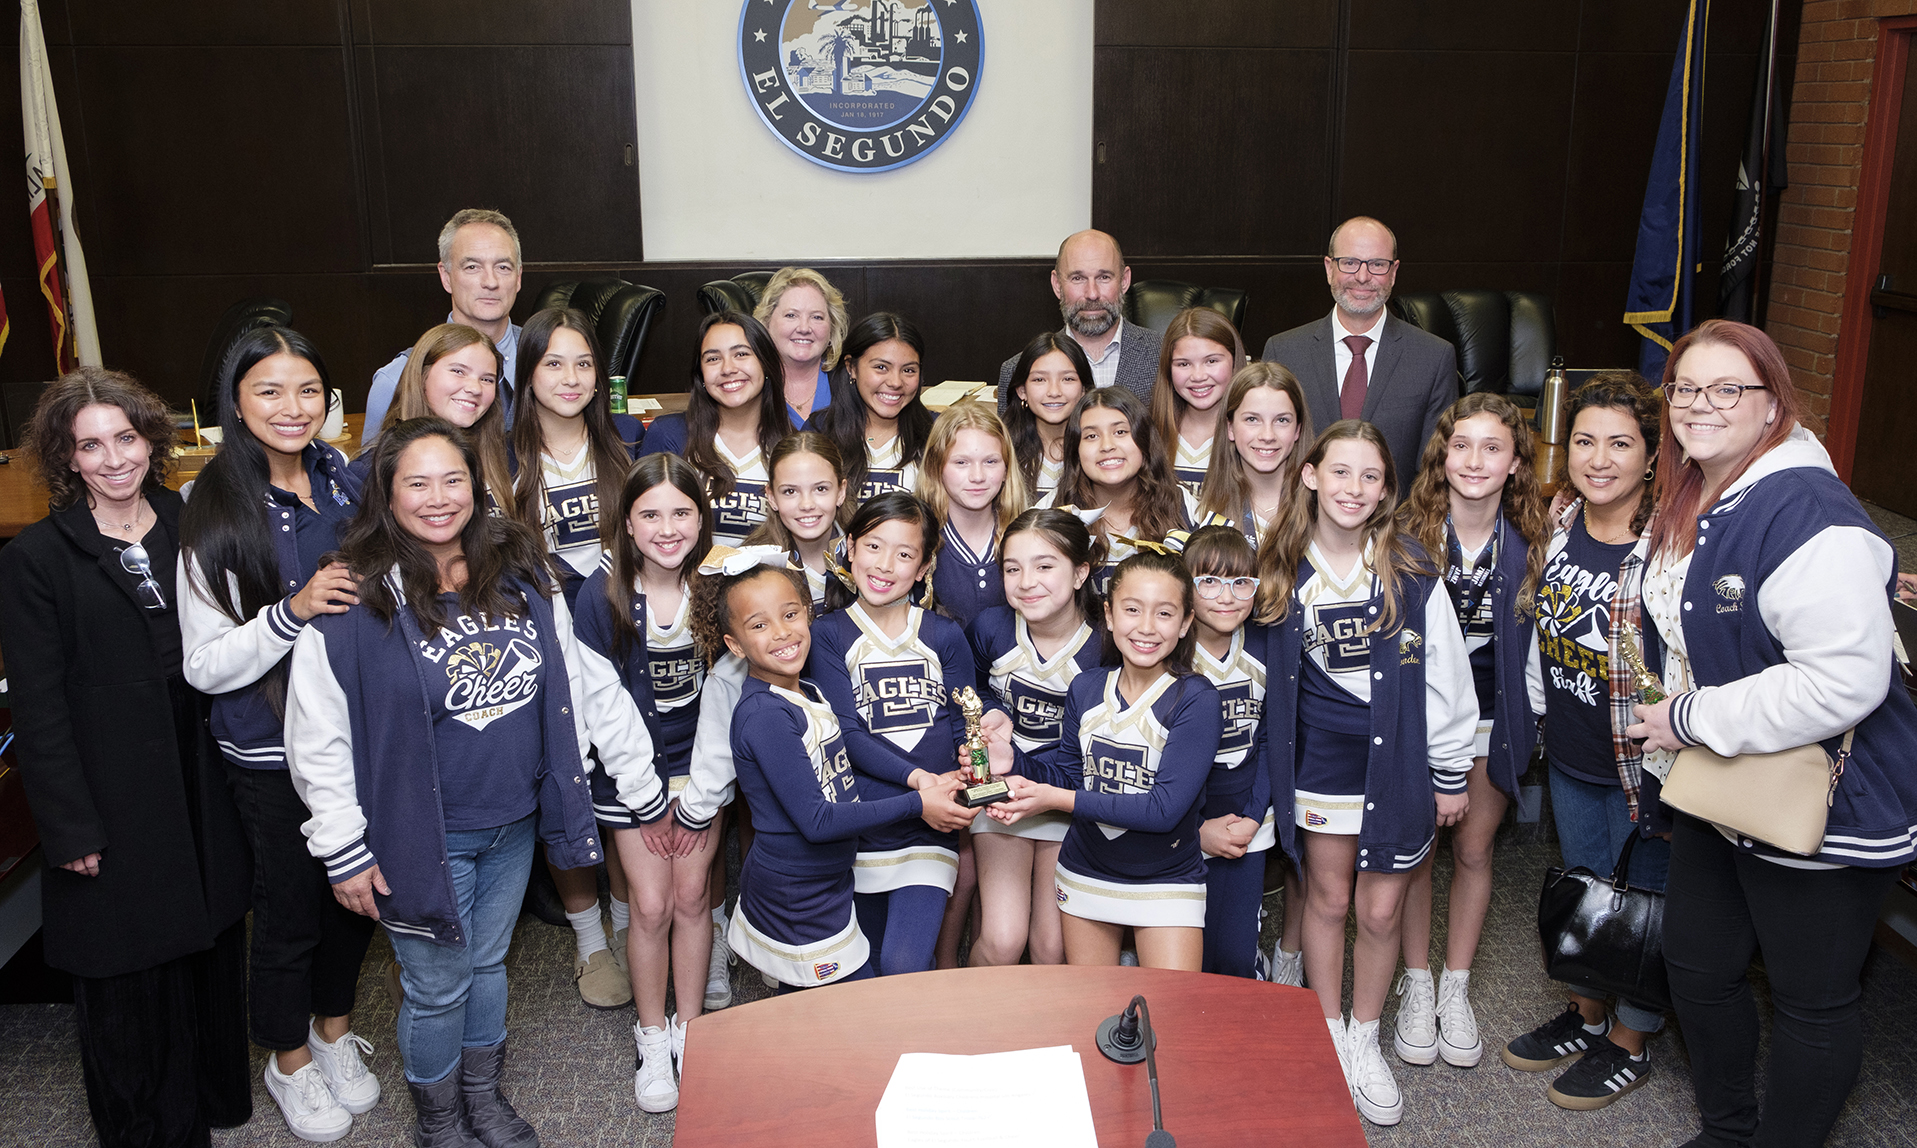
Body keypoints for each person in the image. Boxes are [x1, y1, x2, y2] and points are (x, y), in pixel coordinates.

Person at [284, 417, 655, 1147]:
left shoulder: (518, 573)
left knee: (485, 967)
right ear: (387, 497)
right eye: (415, 483)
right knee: (435, 986)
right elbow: (315, 735)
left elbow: (574, 682)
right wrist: (343, 848)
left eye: (452, 479)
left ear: (475, 486)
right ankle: (441, 1120)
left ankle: (481, 1098)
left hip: (512, 821)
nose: (437, 497)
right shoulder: (352, 600)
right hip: (420, 834)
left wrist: (620, 774)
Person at [1625, 320, 1917, 1147]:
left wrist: (1686, 718)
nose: (1699, 406)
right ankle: (1726, 1130)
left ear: (1770, 404)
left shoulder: (1807, 513)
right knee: (1697, 967)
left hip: (1822, 798)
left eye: (1728, 389)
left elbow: (1843, 682)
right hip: (1722, 784)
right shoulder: (1703, 486)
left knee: (1811, 999)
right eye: (1684, 387)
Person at [0, 369, 252, 1148]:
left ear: (152, 440)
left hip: (201, 780)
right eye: (90, 446)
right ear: (67, 459)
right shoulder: (38, 557)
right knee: (128, 971)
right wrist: (70, 828)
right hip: (111, 792)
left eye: (126, 438)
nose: (113, 458)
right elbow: (38, 711)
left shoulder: (190, 521)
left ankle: (216, 1100)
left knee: (209, 944)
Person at [178, 327, 383, 1140]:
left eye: (307, 392)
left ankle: (333, 1031)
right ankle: (287, 1058)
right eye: (269, 391)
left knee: (357, 900)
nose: (292, 409)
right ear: (235, 403)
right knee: (292, 909)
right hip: (268, 751)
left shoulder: (345, 482)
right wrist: (289, 615)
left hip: (358, 739)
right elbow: (204, 664)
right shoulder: (215, 506)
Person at [1253, 420, 1475, 1127]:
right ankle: (1323, 1032)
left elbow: (1447, 676)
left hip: (1397, 767)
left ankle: (1363, 1038)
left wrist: (1448, 771)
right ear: (1310, 475)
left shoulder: (1408, 568)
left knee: (1380, 910)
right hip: (1319, 765)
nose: (1353, 488)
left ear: (1386, 489)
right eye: (1339, 472)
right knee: (1325, 898)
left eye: (1369, 476)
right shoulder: (1278, 566)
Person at [1501, 372, 1671, 1110]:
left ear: (1651, 455)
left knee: (1641, 905)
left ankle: (1630, 1041)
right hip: (1569, 747)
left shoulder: (1673, 546)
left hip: (1643, 763)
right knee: (1584, 889)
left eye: (1620, 443)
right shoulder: (1562, 520)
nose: (1598, 458)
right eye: (1584, 441)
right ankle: (1586, 1014)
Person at [687, 559, 972, 991]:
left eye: (790, 614)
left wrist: (922, 780)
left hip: (829, 883)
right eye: (759, 625)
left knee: (852, 1004)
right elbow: (817, 821)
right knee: (852, 1010)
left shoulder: (808, 691)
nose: (782, 632)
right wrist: (918, 803)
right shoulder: (765, 715)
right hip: (795, 898)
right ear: (736, 644)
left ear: (808, 613)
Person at [1391, 393, 1547, 1072]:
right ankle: (1415, 982)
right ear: (1441, 456)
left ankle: (1455, 988)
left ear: (1515, 463)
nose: (1475, 460)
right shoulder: (1404, 534)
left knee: (1476, 850)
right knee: (1419, 852)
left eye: (1492, 447)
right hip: (1422, 720)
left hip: (1495, 718)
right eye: (1462, 446)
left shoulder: (1538, 541)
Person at [984, 549, 1222, 972]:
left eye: (1164, 614)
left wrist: (1054, 799)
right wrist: (1013, 761)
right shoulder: (1087, 687)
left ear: (1186, 623)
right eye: (1132, 610)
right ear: (1110, 616)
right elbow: (1069, 777)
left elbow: (1163, 810)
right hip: (1085, 873)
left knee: (1171, 1020)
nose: (1146, 627)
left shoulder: (1197, 699)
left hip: (1167, 882)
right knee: (1094, 1016)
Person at [508, 306, 647, 1010]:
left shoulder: (624, 448)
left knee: (623, 788)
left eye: (583, 363)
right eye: (553, 363)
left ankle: (627, 927)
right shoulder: (501, 457)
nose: (569, 378)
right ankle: (589, 937)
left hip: (619, 641)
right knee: (568, 790)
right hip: (544, 651)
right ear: (526, 370)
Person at [572, 454, 717, 1113]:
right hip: (629, 776)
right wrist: (650, 799)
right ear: (626, 522)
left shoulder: (717, 588)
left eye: (681, 512)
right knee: (650, 906)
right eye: (650, 514)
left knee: (692, 900)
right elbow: (602, 706)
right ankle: (651, 1034)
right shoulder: (598, 595)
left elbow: (727, 698)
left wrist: (702, 791)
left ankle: (693, 1029)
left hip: (700, 770)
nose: (667, 527)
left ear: (701, 516)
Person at [808, 493, 981, 975]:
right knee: (864, 973)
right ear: (849, 549)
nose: (885, 565)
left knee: (904, 964)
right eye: (873, 547)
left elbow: (964, 722)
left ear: (925, 566)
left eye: (904, 554)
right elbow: (843, 734)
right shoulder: (827, 634)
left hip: (930, 826)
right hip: (861, 824)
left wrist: (969, 762)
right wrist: (918, 781)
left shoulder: (945, 635)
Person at [965, 509, 1104, 968]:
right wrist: (991, 710)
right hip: (1001, 791)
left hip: (1066, 795)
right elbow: (971, 687)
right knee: (1004, 941)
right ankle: (967, 1028)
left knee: (1052, 948)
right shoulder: (991, 627)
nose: (1027, 581)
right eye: (1012, 568)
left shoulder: (1107, 643)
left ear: (1081, 571)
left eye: (1045, 566)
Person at [1259, 217, 1460, 478]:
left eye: (1377, 264)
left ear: (1394, 272)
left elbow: (1434, 470)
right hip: (1301, 515)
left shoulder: (1433, 358)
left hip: (1397, 517)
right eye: (1350, 263)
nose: (1363, 277)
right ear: (1329, 268)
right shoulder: (1283, 352)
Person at [1182, 526, 1276, 979]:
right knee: (1191, 961)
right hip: (1181, 825)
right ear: (1187, 588)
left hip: (1246, 818)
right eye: (1210, 582)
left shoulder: (1264, 647)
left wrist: (1254, 818)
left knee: (1235, 961)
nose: (1227, 596)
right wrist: (1195, 829)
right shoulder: (1168, 656)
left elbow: (1273, 740)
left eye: (1241, 582)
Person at [364, 208, 524, 443]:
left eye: (503, 267)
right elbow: (374, 476)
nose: (490, 282)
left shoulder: (553, 362)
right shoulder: (396, 379)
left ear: (518, 277)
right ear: (446, 276)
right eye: (472, 267)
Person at [644, 311, 786, 548]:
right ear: (700, 374)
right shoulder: (670, 436)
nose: (728, 368)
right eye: (712, 359)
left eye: (741, 354)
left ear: (766, 363)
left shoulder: (792, 446)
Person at [1041, 388, 1198, 592]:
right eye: (1091, 436)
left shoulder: (1182, 503)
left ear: (1144, 440)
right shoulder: (1051, 510)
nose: (1107, 446)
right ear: (1075, 450)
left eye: (1120, 432)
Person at [353, 323, 514, 514]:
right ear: (422, 375)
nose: (475, 388)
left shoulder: (508, 457)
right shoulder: (368, 473)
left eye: (487, 379)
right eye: (458, 371)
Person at [996, 230, 1160, 408]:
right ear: (1057, 285)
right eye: (1078, 278)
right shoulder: (1017, 373)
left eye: (1104, 277)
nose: (1092, 294)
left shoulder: (1165, 356)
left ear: (1124, 281)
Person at [917, 401, 1030, 628]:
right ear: (936, 467)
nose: (977, 476)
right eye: (961, 462)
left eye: (990, 461)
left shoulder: (1029, 538)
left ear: (1006, 469)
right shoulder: (917, 540)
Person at [806, 312, 935, 502]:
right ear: (851, 367)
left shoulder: (938, 432)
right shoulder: (819, 430)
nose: (895, 382)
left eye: (908, 370)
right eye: (881, 367)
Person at [1196, 362, 1312, 550]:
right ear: (1230, 428)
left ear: (1298, 429)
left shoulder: (1321, 511)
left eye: (1282, 420)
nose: (1267, 435)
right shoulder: (1200, 516)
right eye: (1252, 419)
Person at [744, 432, 851, 612]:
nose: (806, 504)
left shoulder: (867, 554)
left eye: (820, 488)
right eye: (790, 492)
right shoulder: (751, 563)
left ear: (841, 492)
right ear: (771, 496)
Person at [1150, 308, 1246, 495]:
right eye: (1183, 364)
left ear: (1235, 361)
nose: (1198, 376)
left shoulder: (1255, 435)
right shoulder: (1147, 432)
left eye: (1211, 361)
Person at [752, 266, 849, 428]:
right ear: (766, 322)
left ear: (832, 329)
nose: (804, 328)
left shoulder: (851, 383)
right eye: (791, 315)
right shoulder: (748, 385)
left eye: (816, 317)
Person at [1003, 332, 1092, 502]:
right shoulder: (1002, 450)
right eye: (1039, 380)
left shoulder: (1097, 449)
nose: (1054, 392)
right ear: (1022, 391)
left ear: (1084, 390)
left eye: (1067, 379)